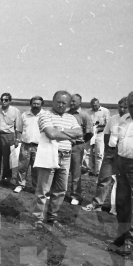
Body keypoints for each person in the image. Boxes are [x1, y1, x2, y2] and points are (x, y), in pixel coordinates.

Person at [32, 91, 82, 229]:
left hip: (66, 155)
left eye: (64, 103)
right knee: (43, 189)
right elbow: (51, 134)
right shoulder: (45, 115)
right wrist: (68, 134)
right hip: (49, 153)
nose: (61, 105)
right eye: (58, 102)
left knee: (60, 189)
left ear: (68, 104)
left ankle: (52, 217)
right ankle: (37, 219)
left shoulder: (71, 118)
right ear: (53, 101)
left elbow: (79, 133)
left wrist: (59, 131)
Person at [82, 96, 128, 214]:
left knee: (123, 182)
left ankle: (119, 208)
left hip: (127, 155)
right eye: (120, 107)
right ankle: (97, 204)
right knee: (104, 178)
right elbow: (107, 135)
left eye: (125, 107)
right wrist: (109, 150)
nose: (122, 109)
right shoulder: (113, 119)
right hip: (111, 152)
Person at [108, 90, 133, 256]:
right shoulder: (123, 119)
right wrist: (116, 162)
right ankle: (122, 235)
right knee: (121, 202)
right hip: (122, 163)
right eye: (130, 106)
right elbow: (117, 142)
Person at [66, 94, 94, 205]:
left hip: (77, 146)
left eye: (74, 101)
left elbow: (89, 133)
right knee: (62, 170)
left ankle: (75, 195)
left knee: (75, 171)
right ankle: (60, 191)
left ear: (79, 102)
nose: (71, 103)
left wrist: (80, 143)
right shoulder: (66, 114)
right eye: (70, 101)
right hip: (65, 145)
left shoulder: (84, 115)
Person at [0, 93, 22, 185]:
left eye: (6, 100)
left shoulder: (15, 111)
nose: (4, 102)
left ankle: (6, 178)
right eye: (2, 100)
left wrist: (17, 139)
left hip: (9, 136)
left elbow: (18, 127)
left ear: (10, 101)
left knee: (8, 159)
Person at [14, 96, 44, 193]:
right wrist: (17, 139)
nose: (35, 105)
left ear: (41, 105)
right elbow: (19, 129)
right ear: (31, 104)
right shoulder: (24, 115)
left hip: (39, 146)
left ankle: (36, 187)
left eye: (38, 104)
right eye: (34, 103)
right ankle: (20, 184)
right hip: (25, 145)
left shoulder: (45, 115)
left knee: (37, 168)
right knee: (22, 166)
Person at [86, 98, 111, 176]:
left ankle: (98, 171)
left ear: (99, 104)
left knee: (99, 153)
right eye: (93, 106)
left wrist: (99, 128)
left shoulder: (105, 111)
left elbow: (108, 124)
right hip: (90, 134)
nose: (94, 107)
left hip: (100, 134)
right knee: (87, 152)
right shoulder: (88, 112)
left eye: (96, 105)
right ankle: (88, 170)